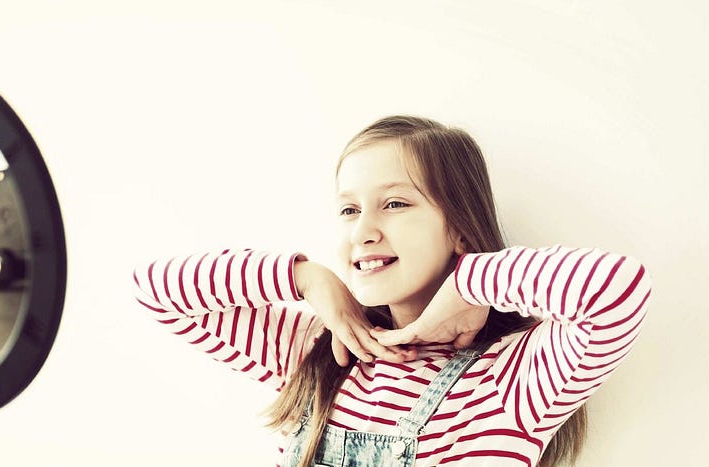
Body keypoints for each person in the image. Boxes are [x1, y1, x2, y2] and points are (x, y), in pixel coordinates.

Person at [131, 115, 650, 466]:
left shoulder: (509, 382)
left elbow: (616, 289)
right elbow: (156, 287)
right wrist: (308, 280)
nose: (363, 231)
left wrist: (470, 284)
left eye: (396, 204)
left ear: (460, 228)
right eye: (350, 210)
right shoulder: (317, 351)